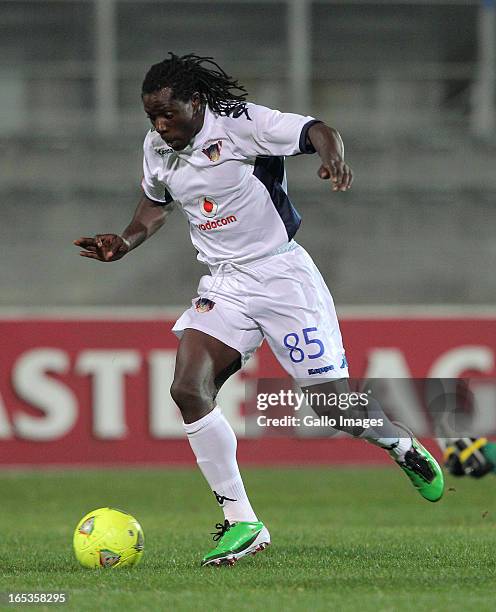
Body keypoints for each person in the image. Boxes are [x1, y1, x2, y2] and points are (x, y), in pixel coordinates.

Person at [74, 53, 444, 567]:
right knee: (186, 388)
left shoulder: (242, 124)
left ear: (196, 102)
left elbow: (316, 129)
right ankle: (242, 520)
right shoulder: (158, 146)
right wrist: (127, 241)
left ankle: (399, 444)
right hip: (226, 283)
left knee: (334, 406)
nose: (160, 125)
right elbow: (156, 201)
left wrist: (332, 155)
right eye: (151, 116)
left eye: (168, 113)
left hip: (282, 278)